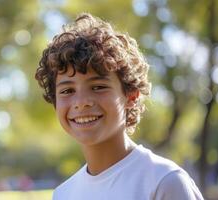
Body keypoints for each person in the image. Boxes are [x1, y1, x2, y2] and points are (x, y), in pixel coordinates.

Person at [35, 13, 204, 200]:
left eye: (98, 87)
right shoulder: (63, 194)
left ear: (131, 95)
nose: (81, 102)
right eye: (67, 91)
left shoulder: (164, 182)